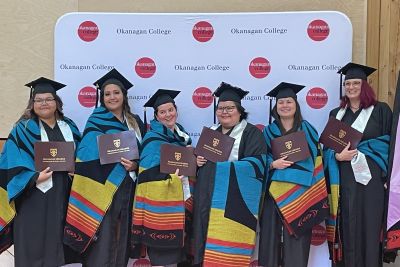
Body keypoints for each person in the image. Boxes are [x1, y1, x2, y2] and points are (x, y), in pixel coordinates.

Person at [63, 68, 145, 266]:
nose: (112, 97)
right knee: (104, 235)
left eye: (116, 93)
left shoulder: (136, 122)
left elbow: (145, 154)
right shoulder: (96, 121)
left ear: (124, 96)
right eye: (107, 94)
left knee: (122, 234)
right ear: (102, 98)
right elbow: (86, 154)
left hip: (129, 185)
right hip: (102, 186)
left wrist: (135, 165)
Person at [0, 77, 81, 267]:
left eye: (49, 99)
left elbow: (81, 155)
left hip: (63, 193)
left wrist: (76, 168)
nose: (44, 103)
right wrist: (34, 177)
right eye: (39, 100)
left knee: (57, 242)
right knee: (33, 242)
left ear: (56, 103)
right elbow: (11, 158)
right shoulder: (23, 128)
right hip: (32, 196)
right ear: (32, 103)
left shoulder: (70, 126)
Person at [324, 63, 392, 267]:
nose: (351, 87)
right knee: (347, 226)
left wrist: (389, 177)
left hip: (372, 181)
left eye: (356, 83)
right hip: (345, 179)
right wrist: (337, 157)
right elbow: (327, 148)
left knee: (370, 226)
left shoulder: (381, 110)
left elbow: (390, 145)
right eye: (348, 83)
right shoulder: (337, 114)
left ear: (365, 85)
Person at [193, 82, 268, 266]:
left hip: (233, 202)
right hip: (206, 197)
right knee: (203, 239)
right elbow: (197, 162)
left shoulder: (252, 134)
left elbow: (258, 165)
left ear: (240, 111)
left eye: (230, 108)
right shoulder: (211, 133)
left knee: (228, 249)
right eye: (221, 108)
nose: (224, 112)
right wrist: (197, 161)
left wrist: (226, 167)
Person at [258, 82, 329, 267]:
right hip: (273, 193)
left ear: (296, 105)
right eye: (281, 102)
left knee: (297, 242)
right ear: (276, 107)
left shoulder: (307, 129)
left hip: (301, 193)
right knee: (269, 240)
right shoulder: (268, 131)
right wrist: (273, 163)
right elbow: (259, 158)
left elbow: (318, 160)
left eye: (289, 101)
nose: (285, 106)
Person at [131, 89, 193, 266]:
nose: (168, 115)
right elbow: (147, 176)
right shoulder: (152, 139)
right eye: (163, 112)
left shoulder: (183, 136)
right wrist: (171, 178)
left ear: (176, 111)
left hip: (182, 203)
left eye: (171, 110)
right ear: (156, 116)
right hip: (161, 209)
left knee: (180, 256)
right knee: (163, 258)